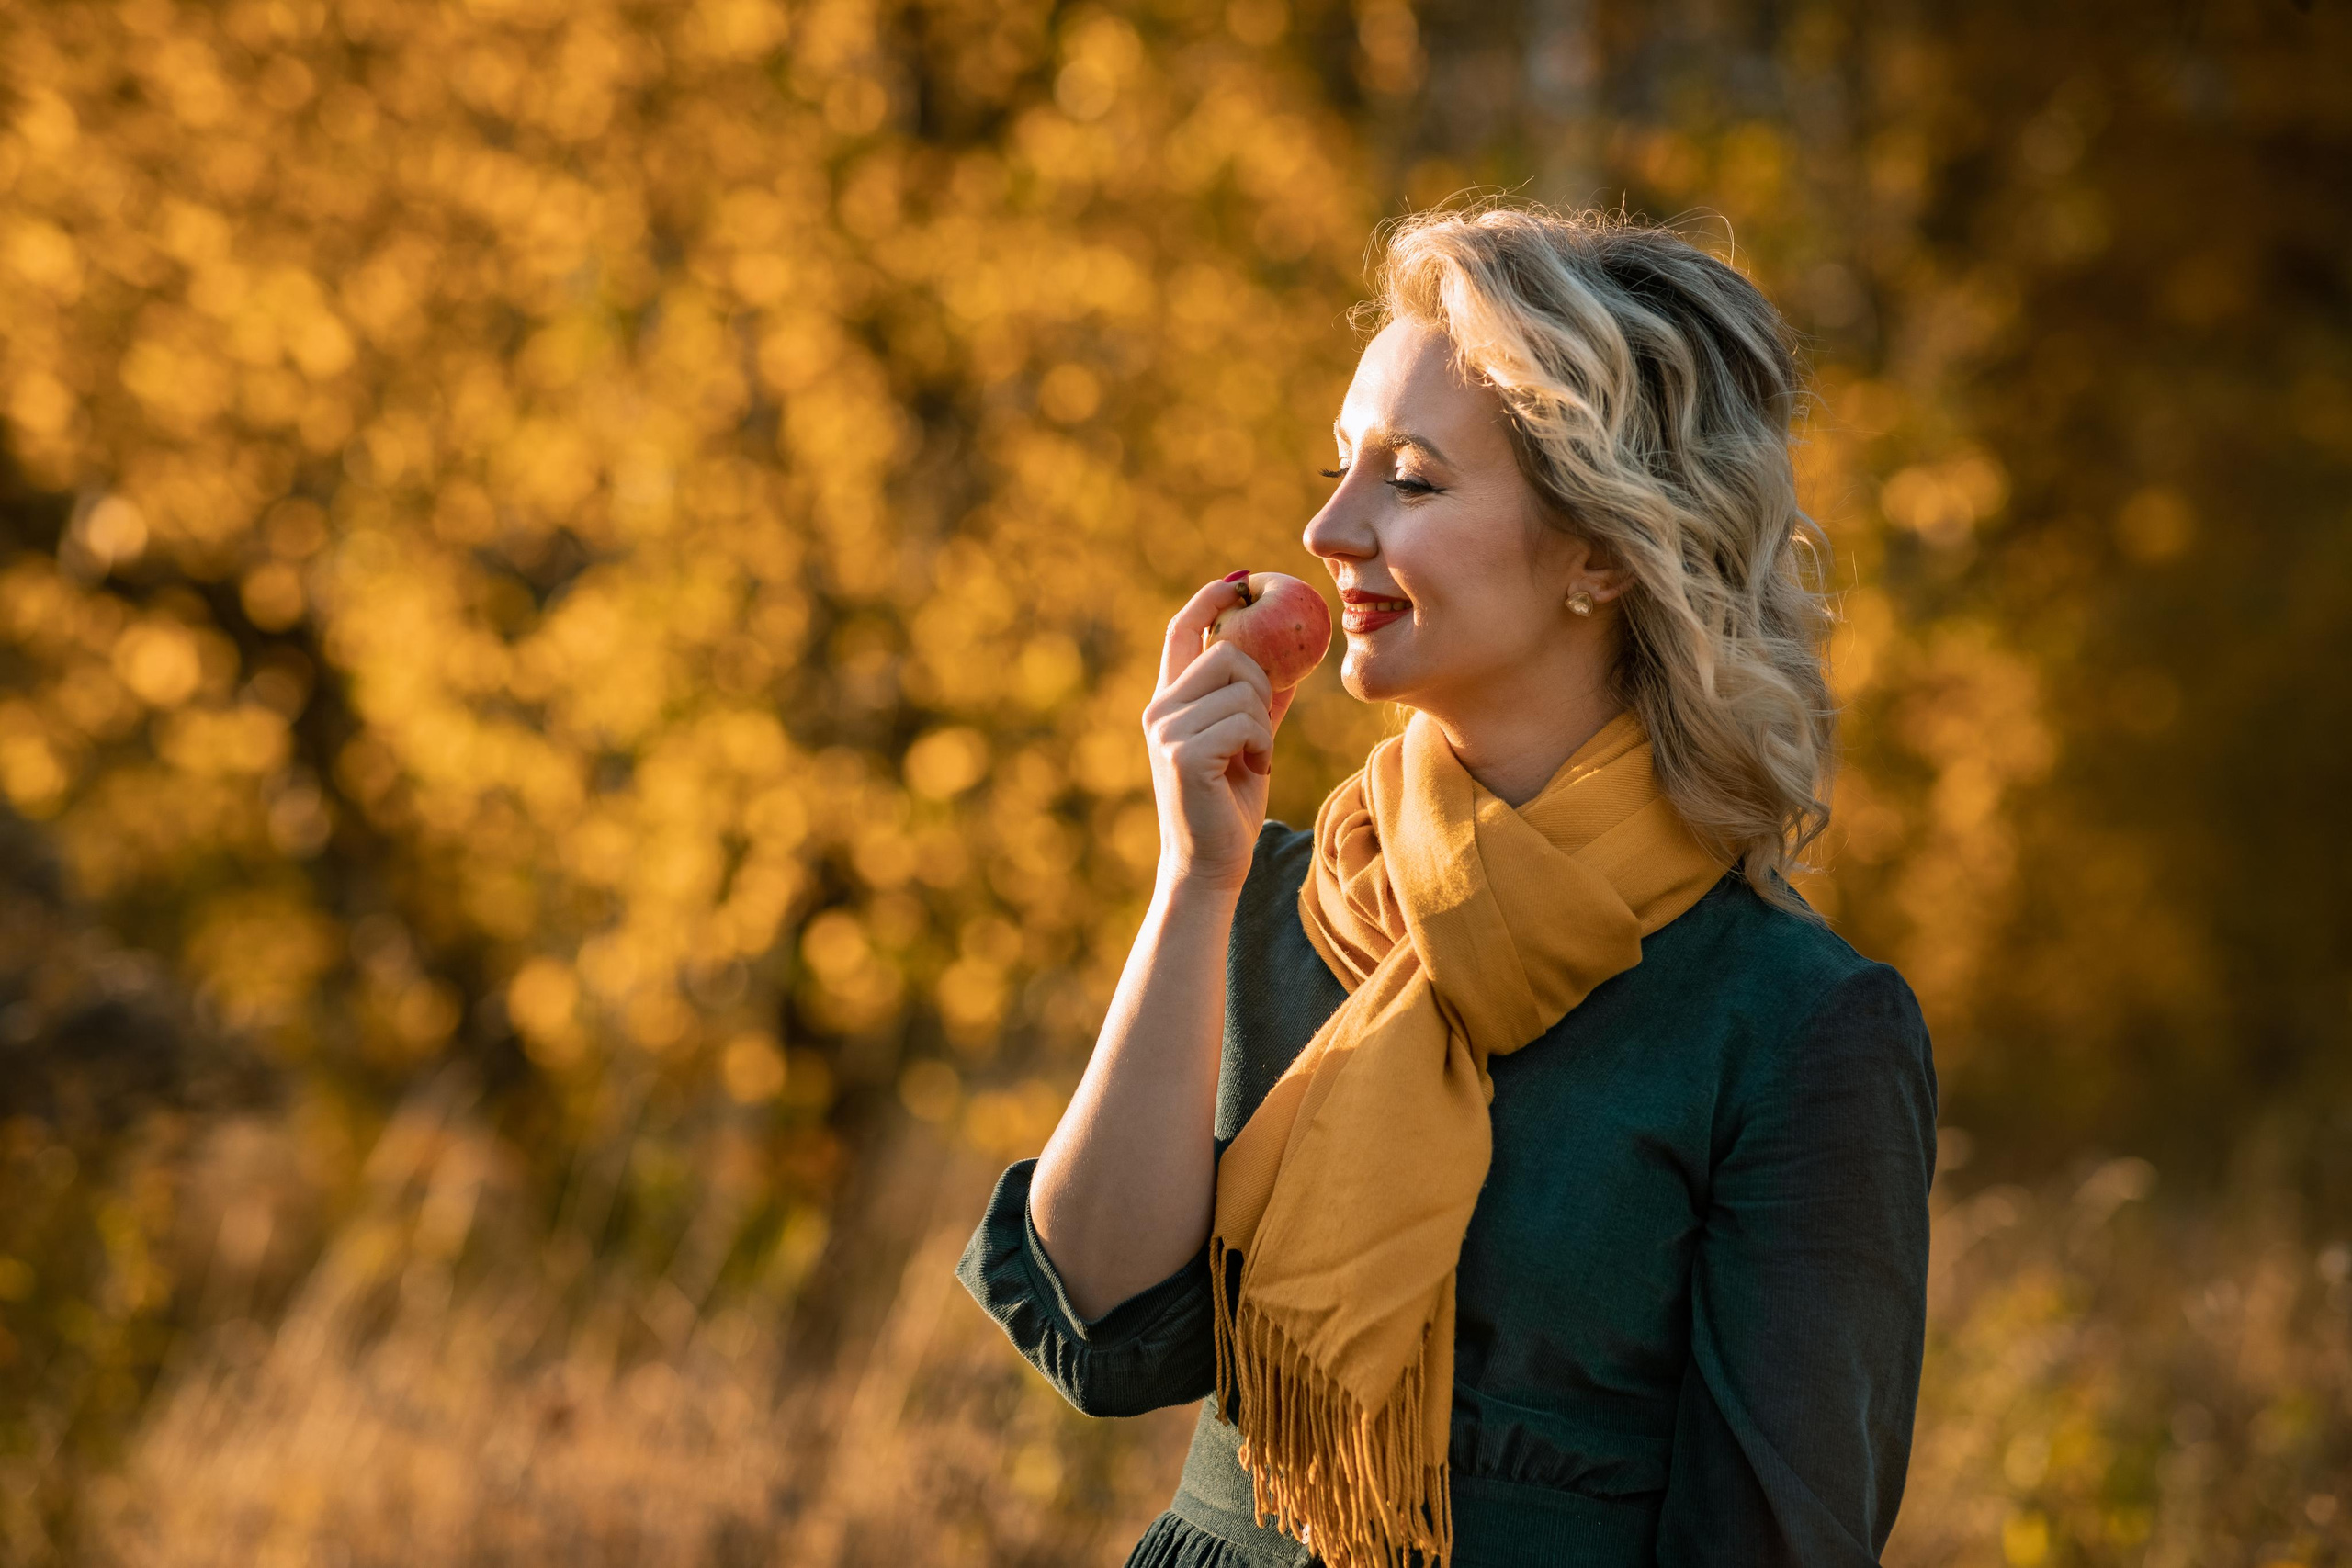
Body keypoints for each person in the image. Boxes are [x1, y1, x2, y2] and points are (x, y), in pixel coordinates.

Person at [954, 201, 1938, 1568]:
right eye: (1340, 466)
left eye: (1409, 481)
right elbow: (1101, 1327)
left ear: (1603, 550)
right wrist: (1192, 877)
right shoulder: (1288, 898)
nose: (1328, 527)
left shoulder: (1792, 1021)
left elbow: (1777, 1543)